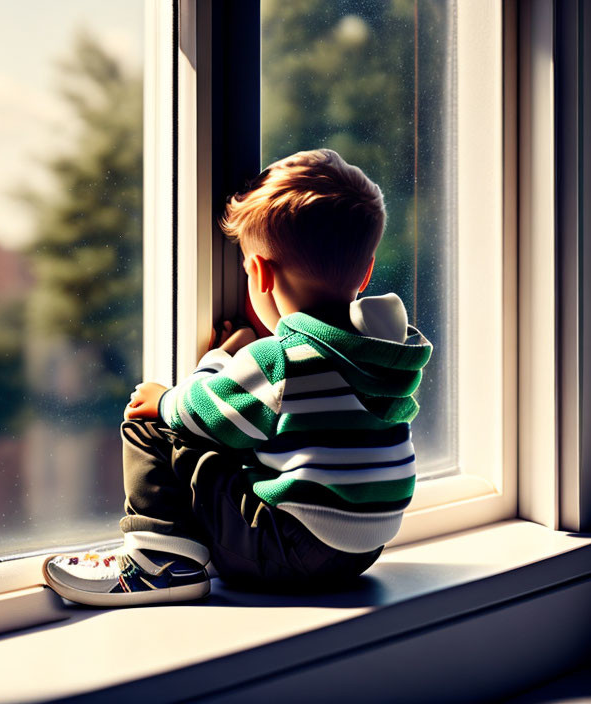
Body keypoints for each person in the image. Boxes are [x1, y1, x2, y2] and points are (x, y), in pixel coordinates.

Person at [41, 149, 432, 607]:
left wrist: (216, 360)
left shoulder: (278, 359)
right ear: (365, 272)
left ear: (260, 273)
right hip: (362, 551)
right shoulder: (385, 353)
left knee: (153, 422)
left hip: (286, 551)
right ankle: (171, 559)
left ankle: (156, 563)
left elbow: (195, 408)